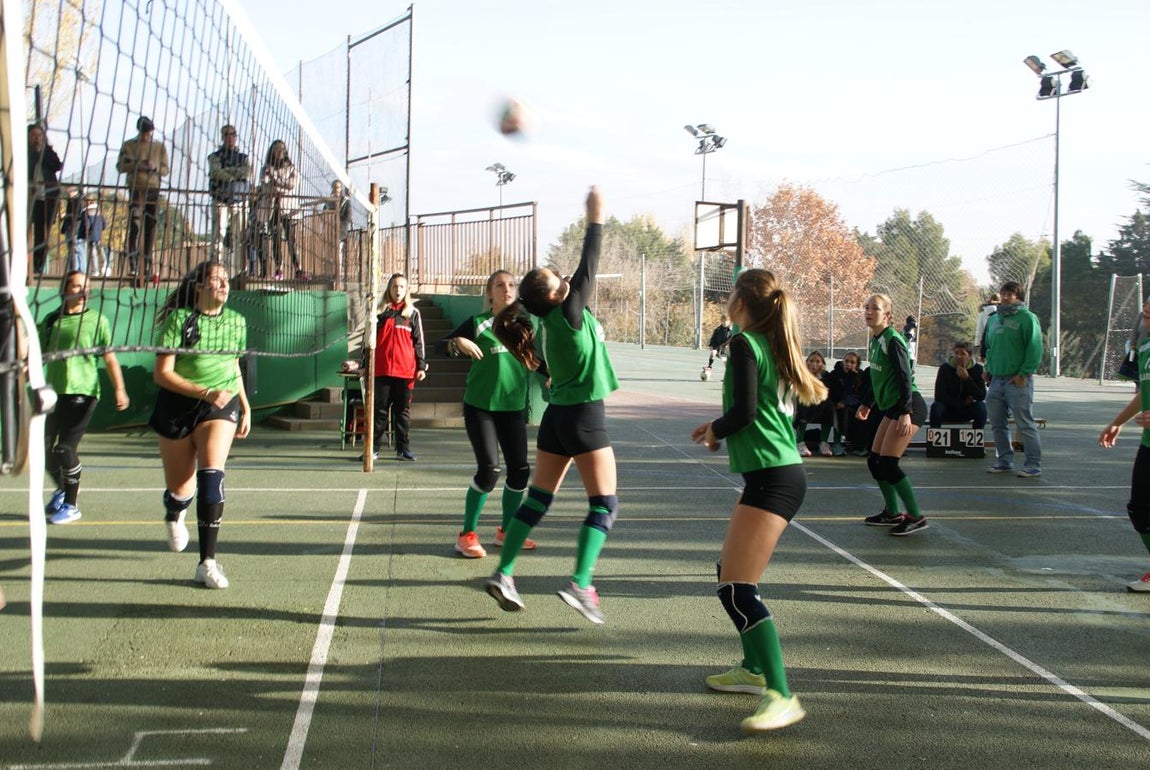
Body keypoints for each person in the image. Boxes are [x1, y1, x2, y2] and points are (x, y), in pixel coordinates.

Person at [690, 267, 825, 732]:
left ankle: (782, 694)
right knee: (727, 573)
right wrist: (717, 428)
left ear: (741, 303)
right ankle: (752, 670)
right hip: (775, 474)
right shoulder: (770, 344)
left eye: (731, 295)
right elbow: (756, 409)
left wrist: (717, 429)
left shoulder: (745, 344)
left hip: (774, 478)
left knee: (737, 588)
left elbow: (744, 413)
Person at [483, 186, 619, 625]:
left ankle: (504, 573)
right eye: (558, 277)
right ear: (560, 293)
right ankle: (581, 584)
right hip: (583, 418)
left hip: (557, 419)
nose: (565, 277)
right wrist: (595, 216)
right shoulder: (570, 311)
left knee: (538, 500)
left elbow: (574, 277)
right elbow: (590, 261)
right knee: (604, 505)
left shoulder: (547, 320)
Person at [150, 261, 251, 589]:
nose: (224, 284)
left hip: (220, 407)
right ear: (198, 286)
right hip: (178, 406)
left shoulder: (237, 322)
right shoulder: (180, 321)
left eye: (226, 279)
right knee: (181, 488)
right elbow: (162, 373)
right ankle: (174, 512)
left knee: (212, 473)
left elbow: (233, 364)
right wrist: (205, 392)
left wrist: (245, 405)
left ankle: (206, 562)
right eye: (216, 279)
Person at [437, 270, 546, 558]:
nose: (507, 289)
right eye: (500, 285)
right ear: (489, 293)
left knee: (520, 472)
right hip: (480, 408)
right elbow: (441, 346)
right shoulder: (476, 323)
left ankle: (508, 531)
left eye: (511, 284)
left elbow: (535, 361)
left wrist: (551, 375)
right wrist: (456, 343)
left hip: (511, 409)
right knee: (489, 471)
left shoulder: (525, 325)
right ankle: (466, 535)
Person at [40, 271, 130, 524]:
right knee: (44, 451)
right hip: (54, 393)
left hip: (84, 393)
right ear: (66, 289)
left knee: (65, 448)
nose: (82, 290)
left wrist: (120, 389)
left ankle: (71, 504)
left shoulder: (97, 321)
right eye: (77, 286)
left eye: (86, 287)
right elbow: (37, 355)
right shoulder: (50, 321)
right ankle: (61, 489)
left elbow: (109, 357)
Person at [857, 294, 929, 535]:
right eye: (866, 307)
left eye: (875, 308)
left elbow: (904, 377)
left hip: (909, 406)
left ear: (887, 315)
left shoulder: (893, 340)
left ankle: (916, 516)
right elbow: (878, 377)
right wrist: (867, 402)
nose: (868, 311)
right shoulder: (875, 341)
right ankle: (891, 512)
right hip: (893, 406)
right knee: (874, 460)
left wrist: (906, 412)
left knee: (888, 464)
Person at [1098, 331, 1150, 592]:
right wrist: (1117, 422)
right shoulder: (1146, 348)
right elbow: (1144, 394)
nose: (1145, 319)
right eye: (1145, 313)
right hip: (1149, 443)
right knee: (1139, 509)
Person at [984, 281, 1044, 478]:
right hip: (996, 380)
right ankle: (1004, 460)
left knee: (1024, 423)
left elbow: (1034, 348)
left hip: (1017, 380)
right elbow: (990, 347)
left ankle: (1033, 463)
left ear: (1018, 297)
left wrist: (1024, 373)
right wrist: (988, 369)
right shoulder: (993, 319)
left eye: (1010, 294)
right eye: (1003, 293)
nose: (1005, 297)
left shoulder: (1027, 318)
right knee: (997, 423)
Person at [367, 273, 427, 461]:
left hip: (405, 372)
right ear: (389, 289)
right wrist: (363, 364)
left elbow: (419, 342)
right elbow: (367, 341)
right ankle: (373, 449)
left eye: (402, 286)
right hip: (382, 370)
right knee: (379, 412)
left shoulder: (413, 314)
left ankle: (403, 449)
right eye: (394, 286)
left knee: (402, 413)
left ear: (406, 290)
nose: (398, 290)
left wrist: (421, 366)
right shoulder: (379, 312)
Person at [116, 116, 169, 280]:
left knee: (151, 228)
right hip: (135, 189)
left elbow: (166, 170)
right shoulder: (129, 145)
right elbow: (120, 166)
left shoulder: (159, 147)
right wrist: (138, 165)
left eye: (149, 133)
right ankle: (133, 264)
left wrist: (154, 167)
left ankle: (146, 265)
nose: (147, 136)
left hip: (153, 189)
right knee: (135, 225)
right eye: (145, 133)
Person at [207, 124, 252, 275]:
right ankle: (216, 267)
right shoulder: (215, 156)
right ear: (222, 137)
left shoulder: (243, 158)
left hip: (240, 202)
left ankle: (241, 270)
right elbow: (216, 173)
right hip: (221, 200)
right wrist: (234, 177)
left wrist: (228, 174)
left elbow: (247, 173)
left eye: (232, 134)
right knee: (218, 234)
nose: (230, 137)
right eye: (226, 134)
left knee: (240, 236)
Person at [257, 139, 302, 280]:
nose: (280, 152)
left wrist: (275, 181)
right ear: (272, 151)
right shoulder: (266, 167)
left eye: (282, 149)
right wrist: (275, 184)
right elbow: (264, 185)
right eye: (277, 149)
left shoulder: (291, 168)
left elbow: (291, 184)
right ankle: (279, 269)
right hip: (272, 207)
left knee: (291, 239)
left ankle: (298, 269)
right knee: (275, 237)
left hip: (288, 208)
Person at [28, 124, 63, 276]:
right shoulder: (25, 153)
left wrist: (41, 151)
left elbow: (57, 165)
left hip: (48, 198)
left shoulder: (48, 152)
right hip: (31, 198)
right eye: (34, 135)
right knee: (28, 232)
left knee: (43, 234)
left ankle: (38, 266)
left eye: (39, 135)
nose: (37, 138)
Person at [928, 341, 987, 429]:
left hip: (967, 410)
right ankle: (935, 439)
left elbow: (981, 396)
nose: (958, 356)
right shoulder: (945, 368)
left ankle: (975, 439)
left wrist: (967, 379)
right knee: (936, 407)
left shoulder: (977, 369)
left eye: (963, 354)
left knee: (981, 407)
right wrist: (962, 402)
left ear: (969, 356)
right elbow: (939, 396)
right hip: (948, 408)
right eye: (956, 353)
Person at [792, 350, 836, 456]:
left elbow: (827, 393)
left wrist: (818, 377)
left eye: (817, 361)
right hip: (805, 405)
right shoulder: (802, 375)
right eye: (811, 361)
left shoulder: (826, 376)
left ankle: (824, 443)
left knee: (830, 407)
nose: (814, 364)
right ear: (806, 362)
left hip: (820, 407)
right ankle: (800, 443)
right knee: (803, 406)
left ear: (822, 364)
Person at [829, 350, 871, 456]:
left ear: (857, 364)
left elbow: (860, 394)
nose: (848, 364)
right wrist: (841, 401)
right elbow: (833, 392)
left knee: (860, 414)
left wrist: (852, 377)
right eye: (846, 361)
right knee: (840, 412)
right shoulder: (835, 374)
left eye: (852, 362)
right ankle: (837, 443)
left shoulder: (860, 376)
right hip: (837, 404)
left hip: (854, 404)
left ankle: (859, 445)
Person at [60, 192, 107, 276]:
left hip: (81, 231)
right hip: (93, 233)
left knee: (82, 251)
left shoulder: (82, 206)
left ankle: (85, 271)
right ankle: (95, 268)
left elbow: (83, 219)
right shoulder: (97, 211)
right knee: (92, 251)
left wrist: (66, 217)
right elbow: (104, 224)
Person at [975, 292, 1000, 363]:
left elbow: (980, 329)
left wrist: (978, 343)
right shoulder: (1003, 311)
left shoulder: (983, 312)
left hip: (987, 340)